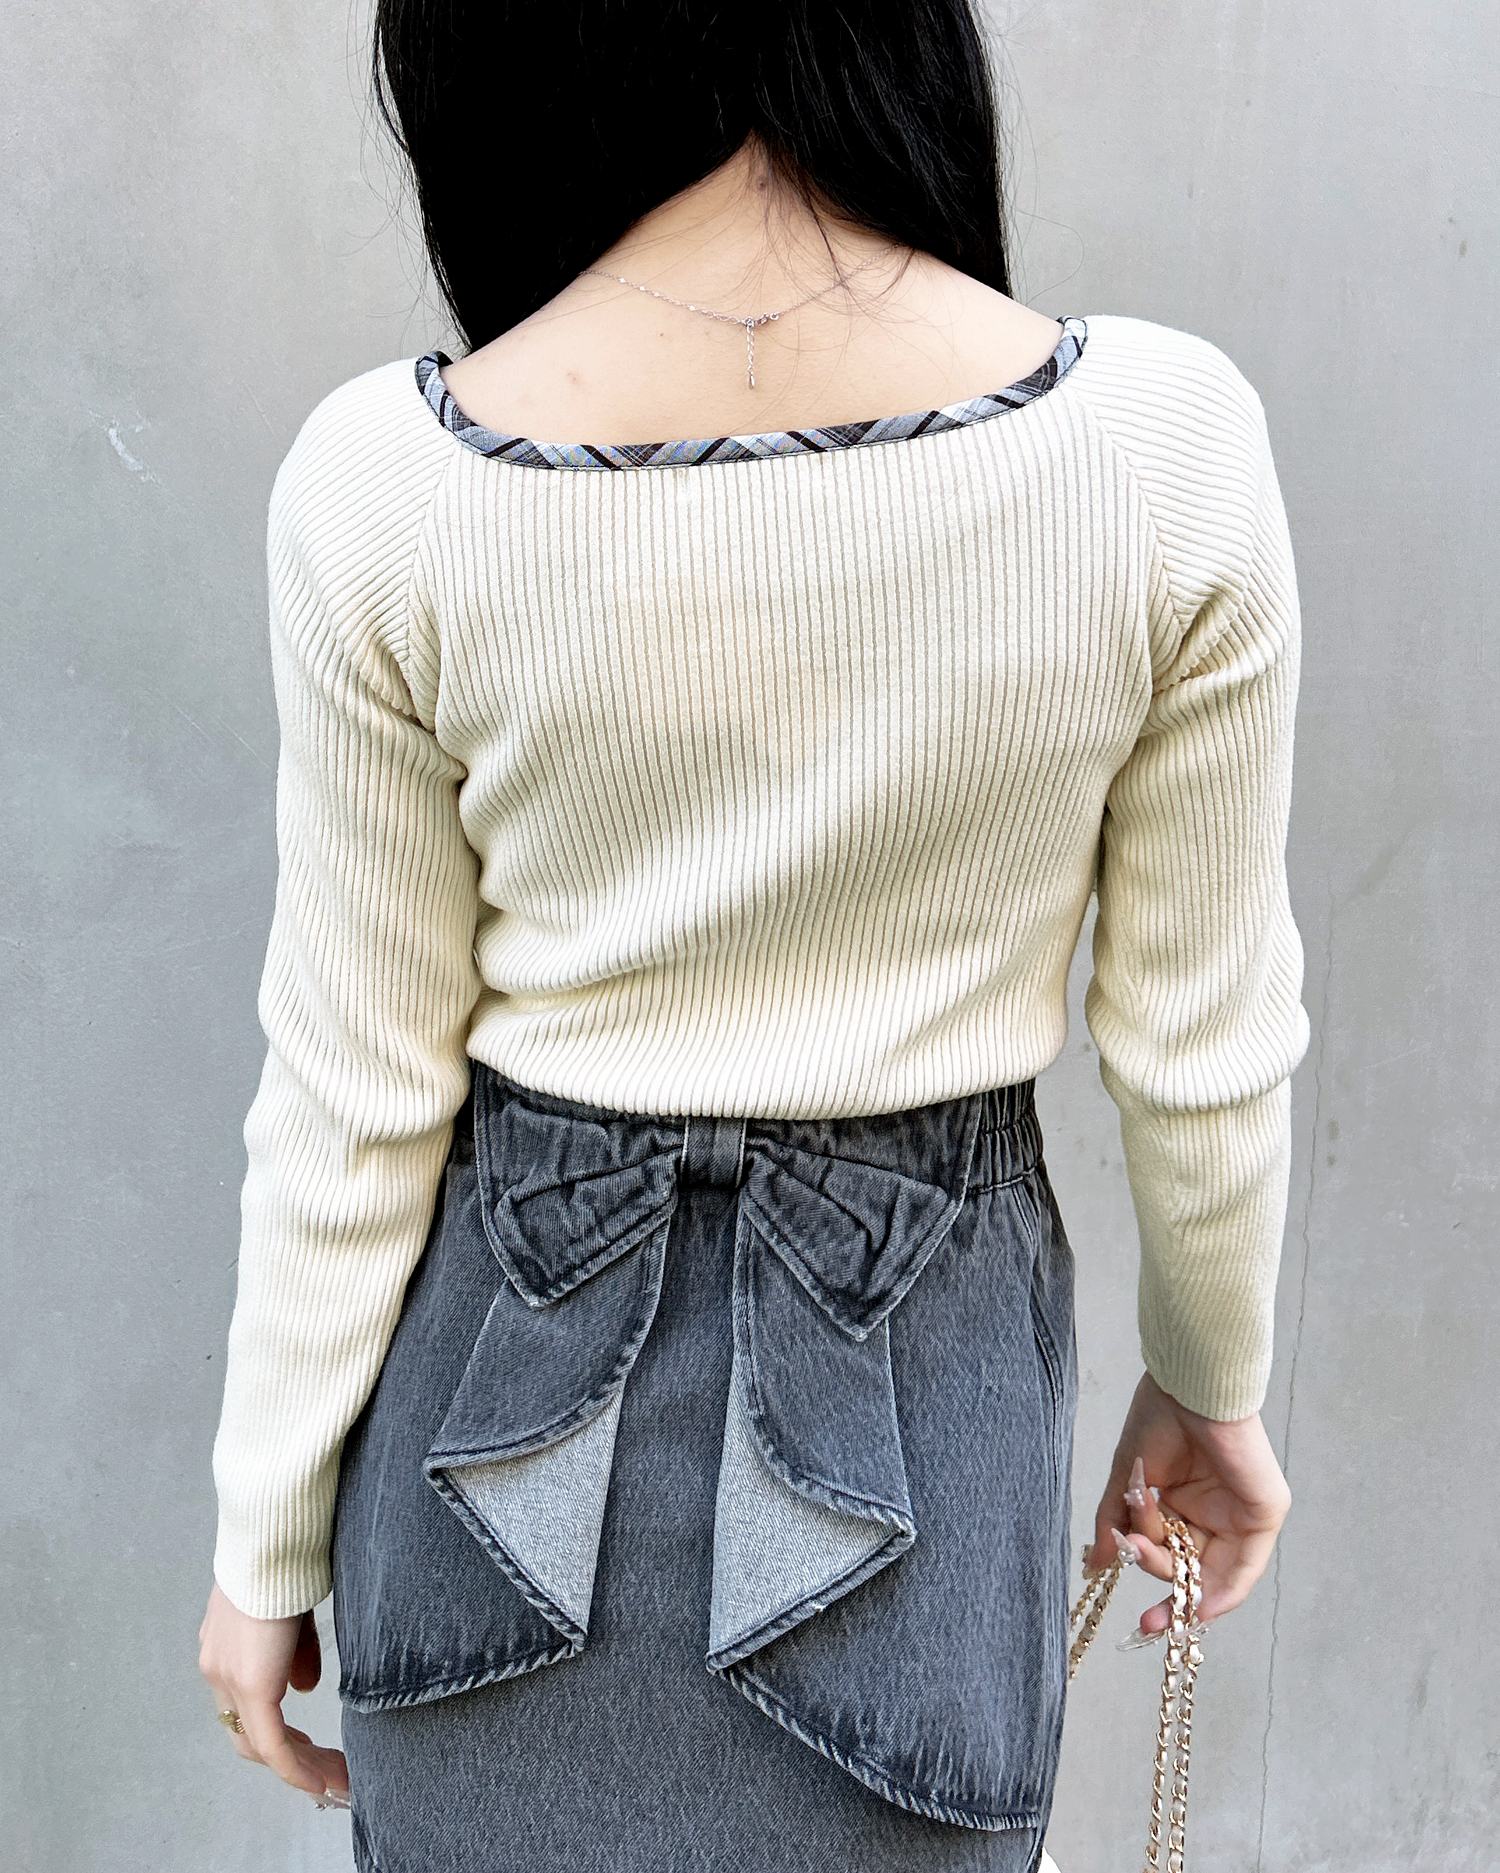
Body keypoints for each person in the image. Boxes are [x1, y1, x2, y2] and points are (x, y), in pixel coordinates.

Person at [196, 4, 1309, 1869]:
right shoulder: (1159, 450)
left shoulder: (390, 485)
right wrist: (1213, 1383)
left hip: (482, 1466)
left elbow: (351, 1086)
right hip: (926, 1432)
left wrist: (263, 1541)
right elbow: (1203, 1050)